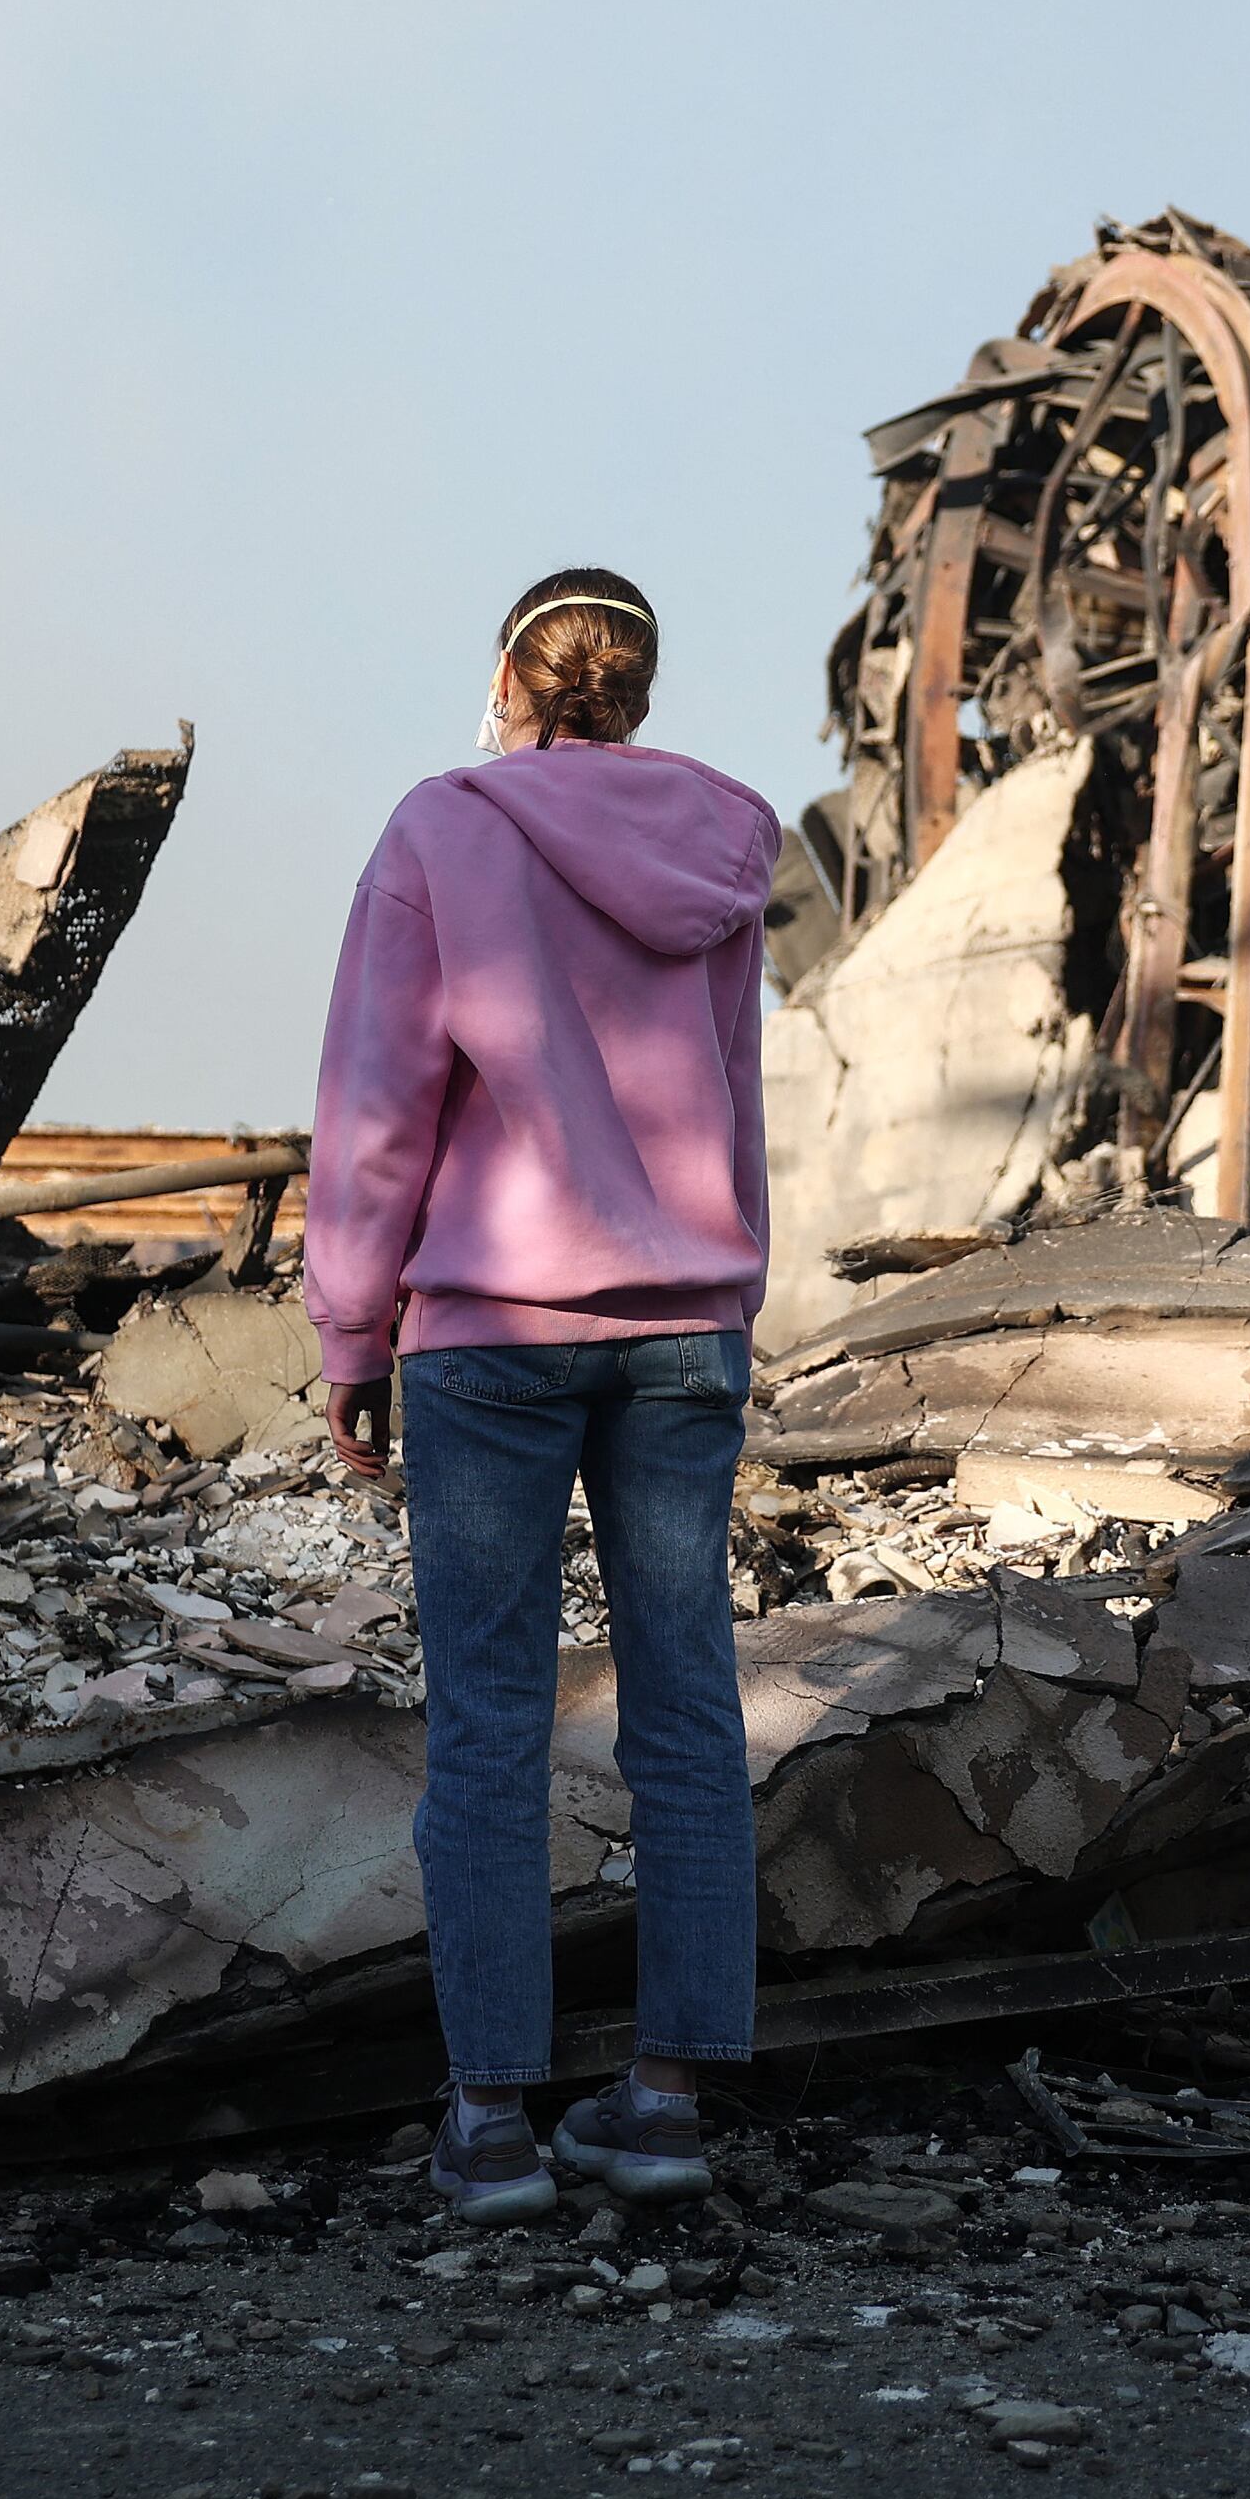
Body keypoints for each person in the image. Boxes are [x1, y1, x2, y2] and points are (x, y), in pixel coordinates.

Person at [301, 568, 781, 2230]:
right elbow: (734, 1087)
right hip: (680, 1329)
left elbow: (380, 1099)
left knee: (491, 1725)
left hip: (489, 1334)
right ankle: (663, 2109)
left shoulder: (443, 829)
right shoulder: (726, 839)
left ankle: (492, 2127)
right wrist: (731, 1290)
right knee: (688, 1713)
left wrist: (351, 1323)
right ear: (636, 690)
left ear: (509, 675)